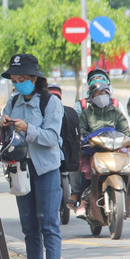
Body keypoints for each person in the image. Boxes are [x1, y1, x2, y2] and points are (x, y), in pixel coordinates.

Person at [0, 54, 64, 259]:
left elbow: (52, 138)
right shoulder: (12, 102)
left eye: (23, 78)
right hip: (20, 171)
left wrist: (28, 129)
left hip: (46, 170)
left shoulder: (50, 103)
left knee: (49, 225)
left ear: (35, 78)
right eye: (15, 79)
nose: (19, 82)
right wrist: (4, 125)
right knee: (29, 227)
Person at [76, 81, 130, 217]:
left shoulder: (116, 113)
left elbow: (125, 130)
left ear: (108, 94)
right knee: (84, 170)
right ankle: (83, 202)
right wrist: (83, 140)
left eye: (103, 93)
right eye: (97, 94)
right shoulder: (86, 114)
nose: (100, 96)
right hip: (93, 150)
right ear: (91, 97)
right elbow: (82, 130)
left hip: (116, 150)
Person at [46, 83, 82, 212]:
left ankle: (77, 193)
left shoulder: (70, 113)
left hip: (66, 152)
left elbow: (76, 135)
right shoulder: (41, 113)